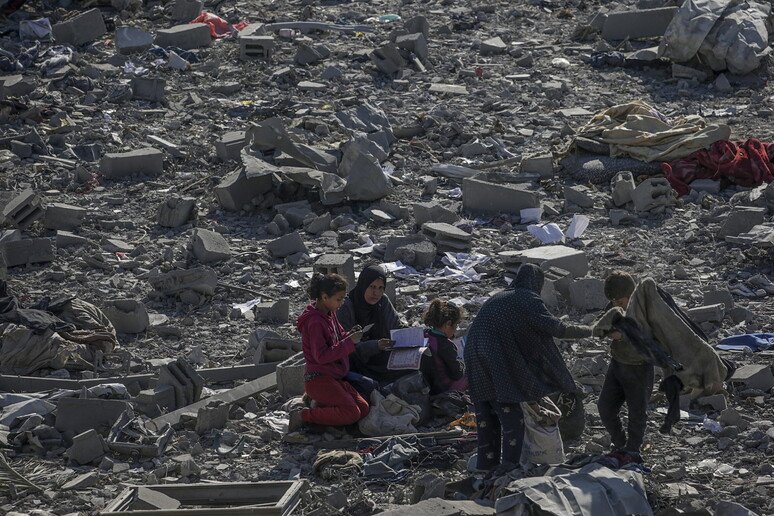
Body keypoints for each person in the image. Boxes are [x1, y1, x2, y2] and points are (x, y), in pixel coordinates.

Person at [464, 263, 594, 471]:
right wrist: (592, 330)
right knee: (512, 418)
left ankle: (484, 470)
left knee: (486, 417)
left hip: (473, 357)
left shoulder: (499, 297)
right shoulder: (527, 298)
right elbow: (556, 328)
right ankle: (509, 468)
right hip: (497, 360)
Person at [290, 273, 368, 432]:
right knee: (352, 412)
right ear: (325, 297)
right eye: (339, 299)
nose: (342, 303)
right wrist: (349, 342)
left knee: (363, 408)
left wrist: (350, 335)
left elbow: (339, 337)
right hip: (319, 379)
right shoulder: (315, 322)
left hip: (334, 377)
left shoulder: (330, 314)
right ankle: (302, 416)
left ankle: (323, 412)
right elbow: (322, 356)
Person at [597, 270, 653, 463]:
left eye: (620, 302)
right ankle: (620, 444)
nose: (616, 306)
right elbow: (603, 323)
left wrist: (625, 336)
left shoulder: (645, 309)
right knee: (605, 407)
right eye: (613, 302)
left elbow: (654, 337)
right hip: (618, 364)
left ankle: (633, 450)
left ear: (631, 295)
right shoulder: (613, 306)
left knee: (637, 411)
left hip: (640, 367)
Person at [337, 264, 407, 384]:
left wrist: (414, 335)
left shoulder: (382, 301)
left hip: (382, 357)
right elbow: (345, 345)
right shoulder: (347, 306)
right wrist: (375, 346)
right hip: (357, 361)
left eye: (381, 288)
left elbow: (396, 327)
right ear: (363, 285)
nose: (376, 293)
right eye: (372, 286)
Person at [423, 298, 468, 395]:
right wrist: (462, 364)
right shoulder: (446, 345)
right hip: (443, 388)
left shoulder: (425, 335)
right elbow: (457, 374)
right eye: (456, 325)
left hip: (426, 384)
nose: (456, 329)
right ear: (448, 324)